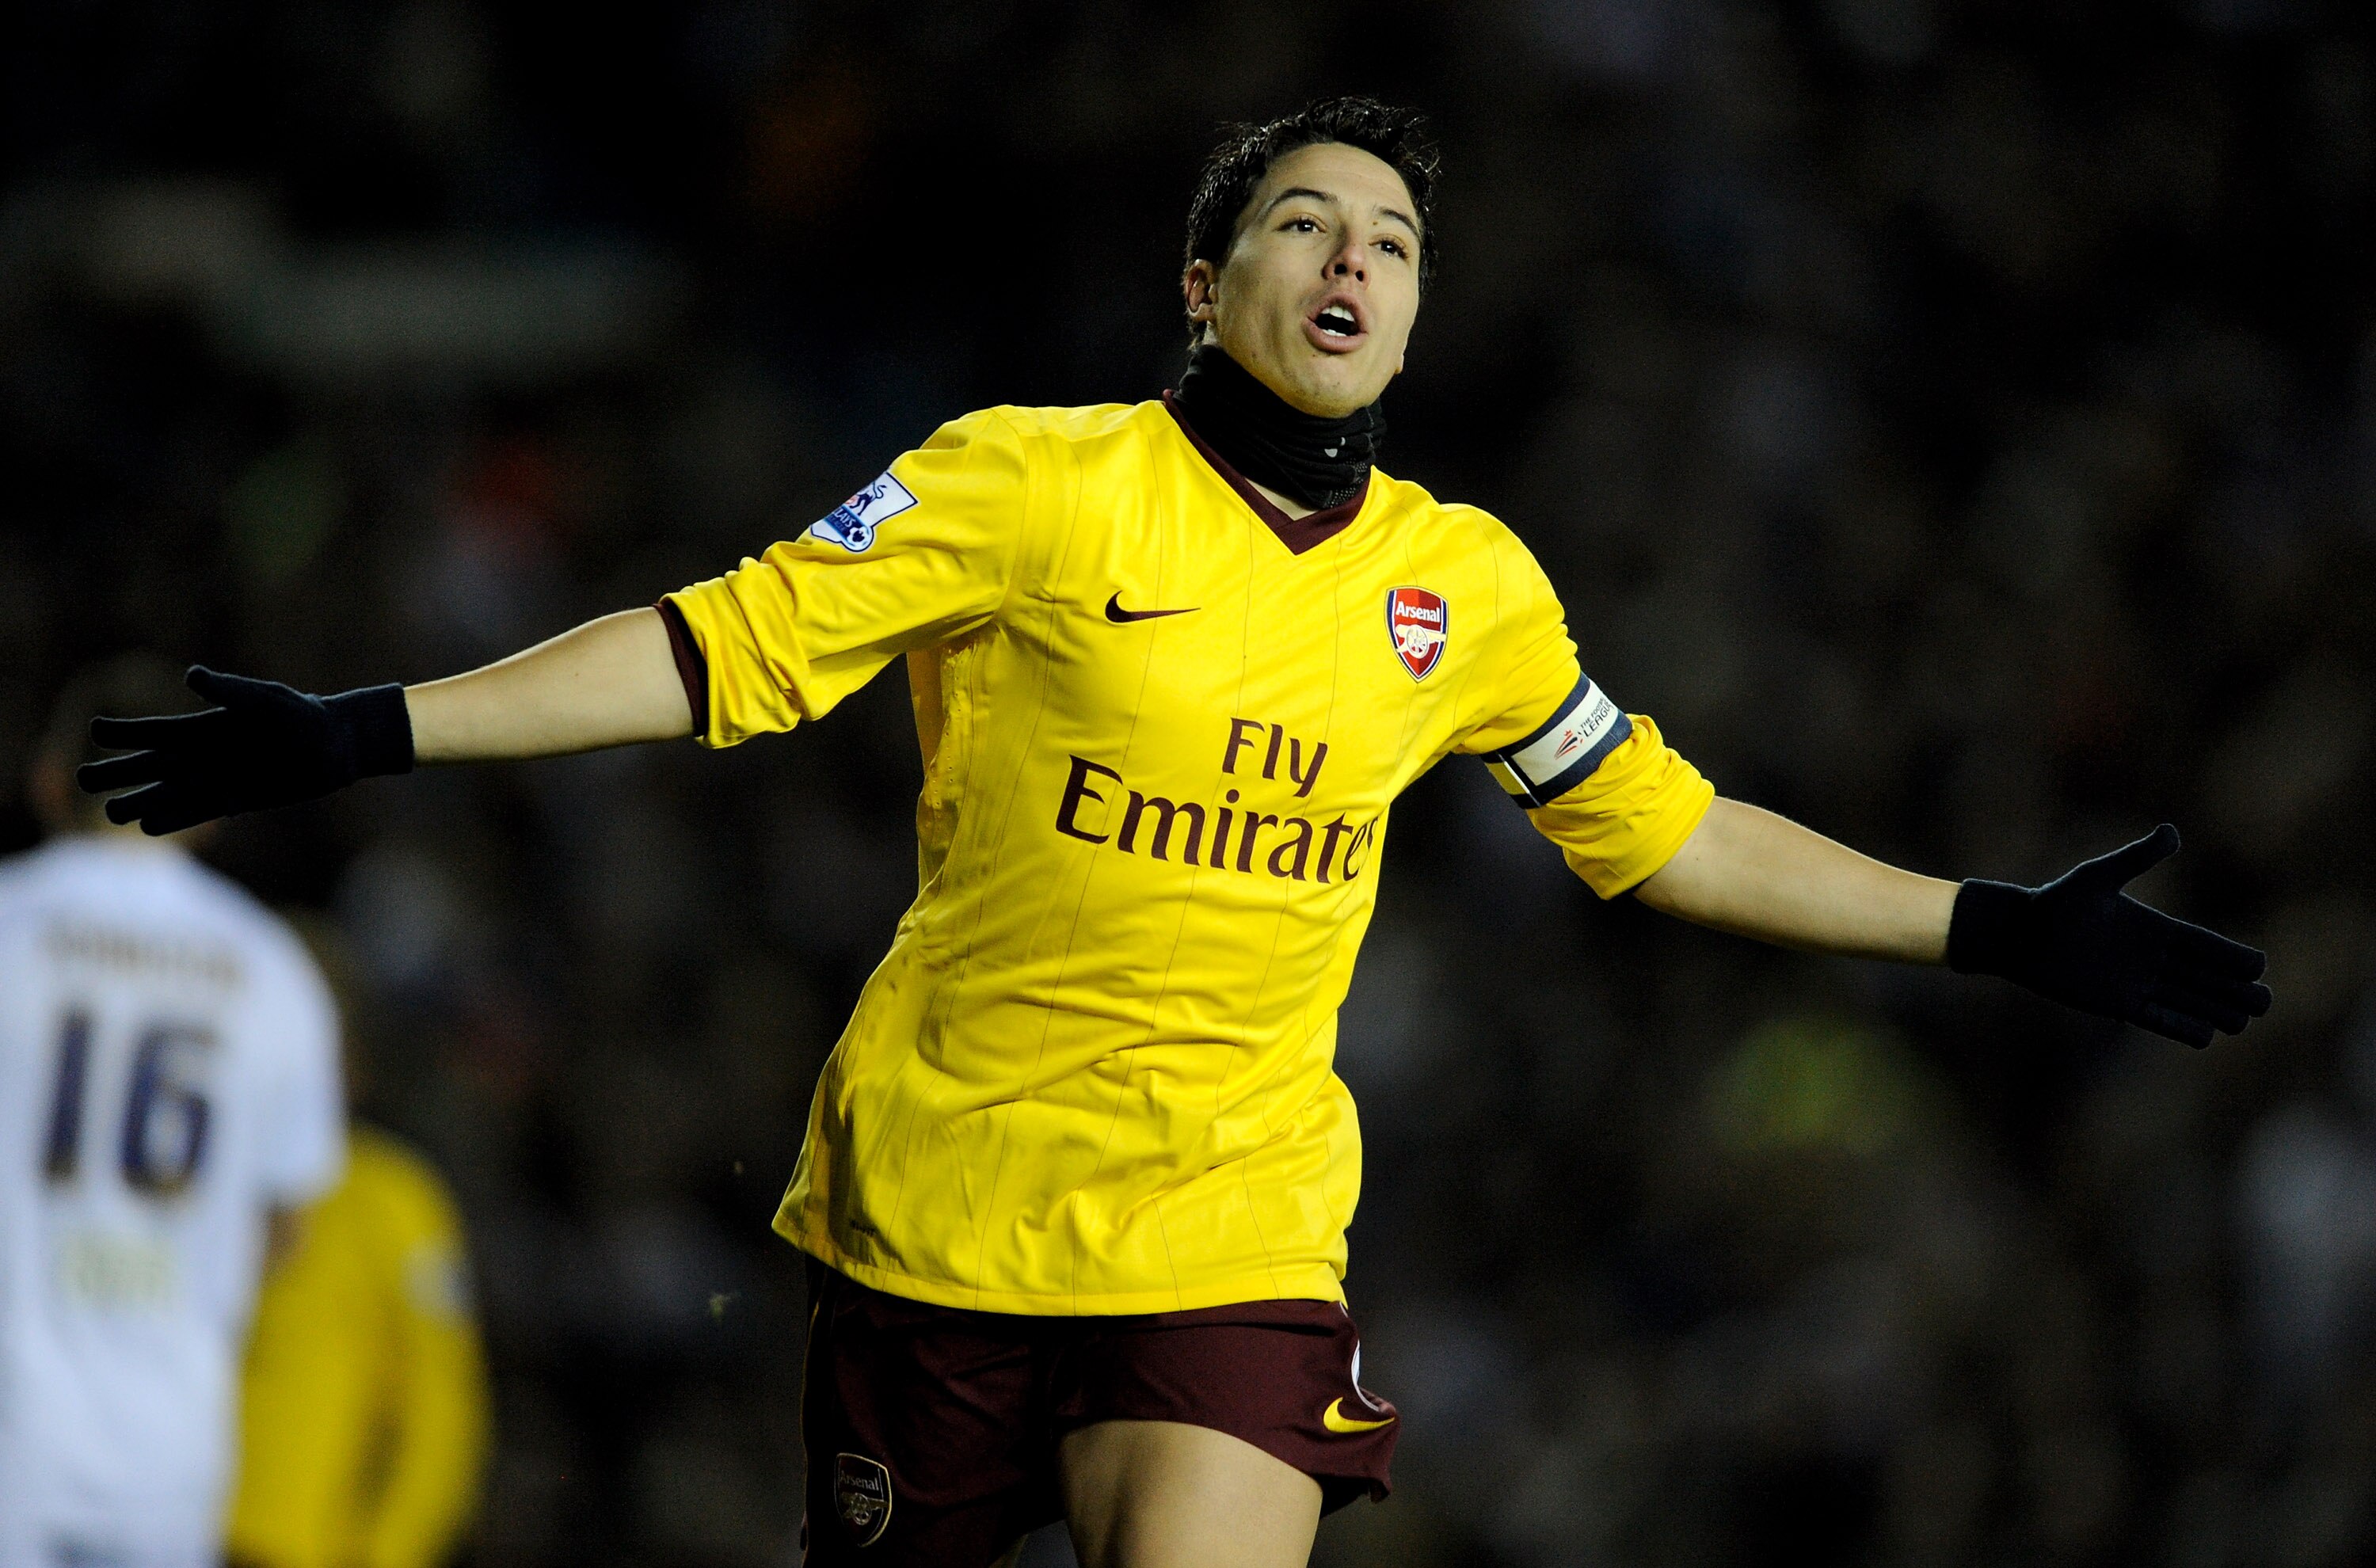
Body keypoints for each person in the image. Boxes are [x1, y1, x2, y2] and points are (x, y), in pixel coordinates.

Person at [79, 98, 2272, 1568]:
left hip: (1229, 1232)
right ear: (1207, 276)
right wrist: (376, 727)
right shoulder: (1032, 481)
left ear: (1417, 307)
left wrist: (1984, 925)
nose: (1358, 258)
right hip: (938, 1212)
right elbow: (713, 647)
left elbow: (1667, 832)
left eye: (1397, 238)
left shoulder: (1465, 586)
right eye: (1307, 220)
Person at [2, 657, 346, 1568]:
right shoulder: (274, 972)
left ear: (46, 780)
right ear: (213, 805)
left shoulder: (10, 928)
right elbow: (289, 1230)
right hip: (171, 1442)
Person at [223, 1015, 490, 1568]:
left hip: (302, 1547)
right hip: (157, 1529)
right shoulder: (189, 1191)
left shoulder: (392, 1198)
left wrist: (386, 1550)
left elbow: (441, 1408)